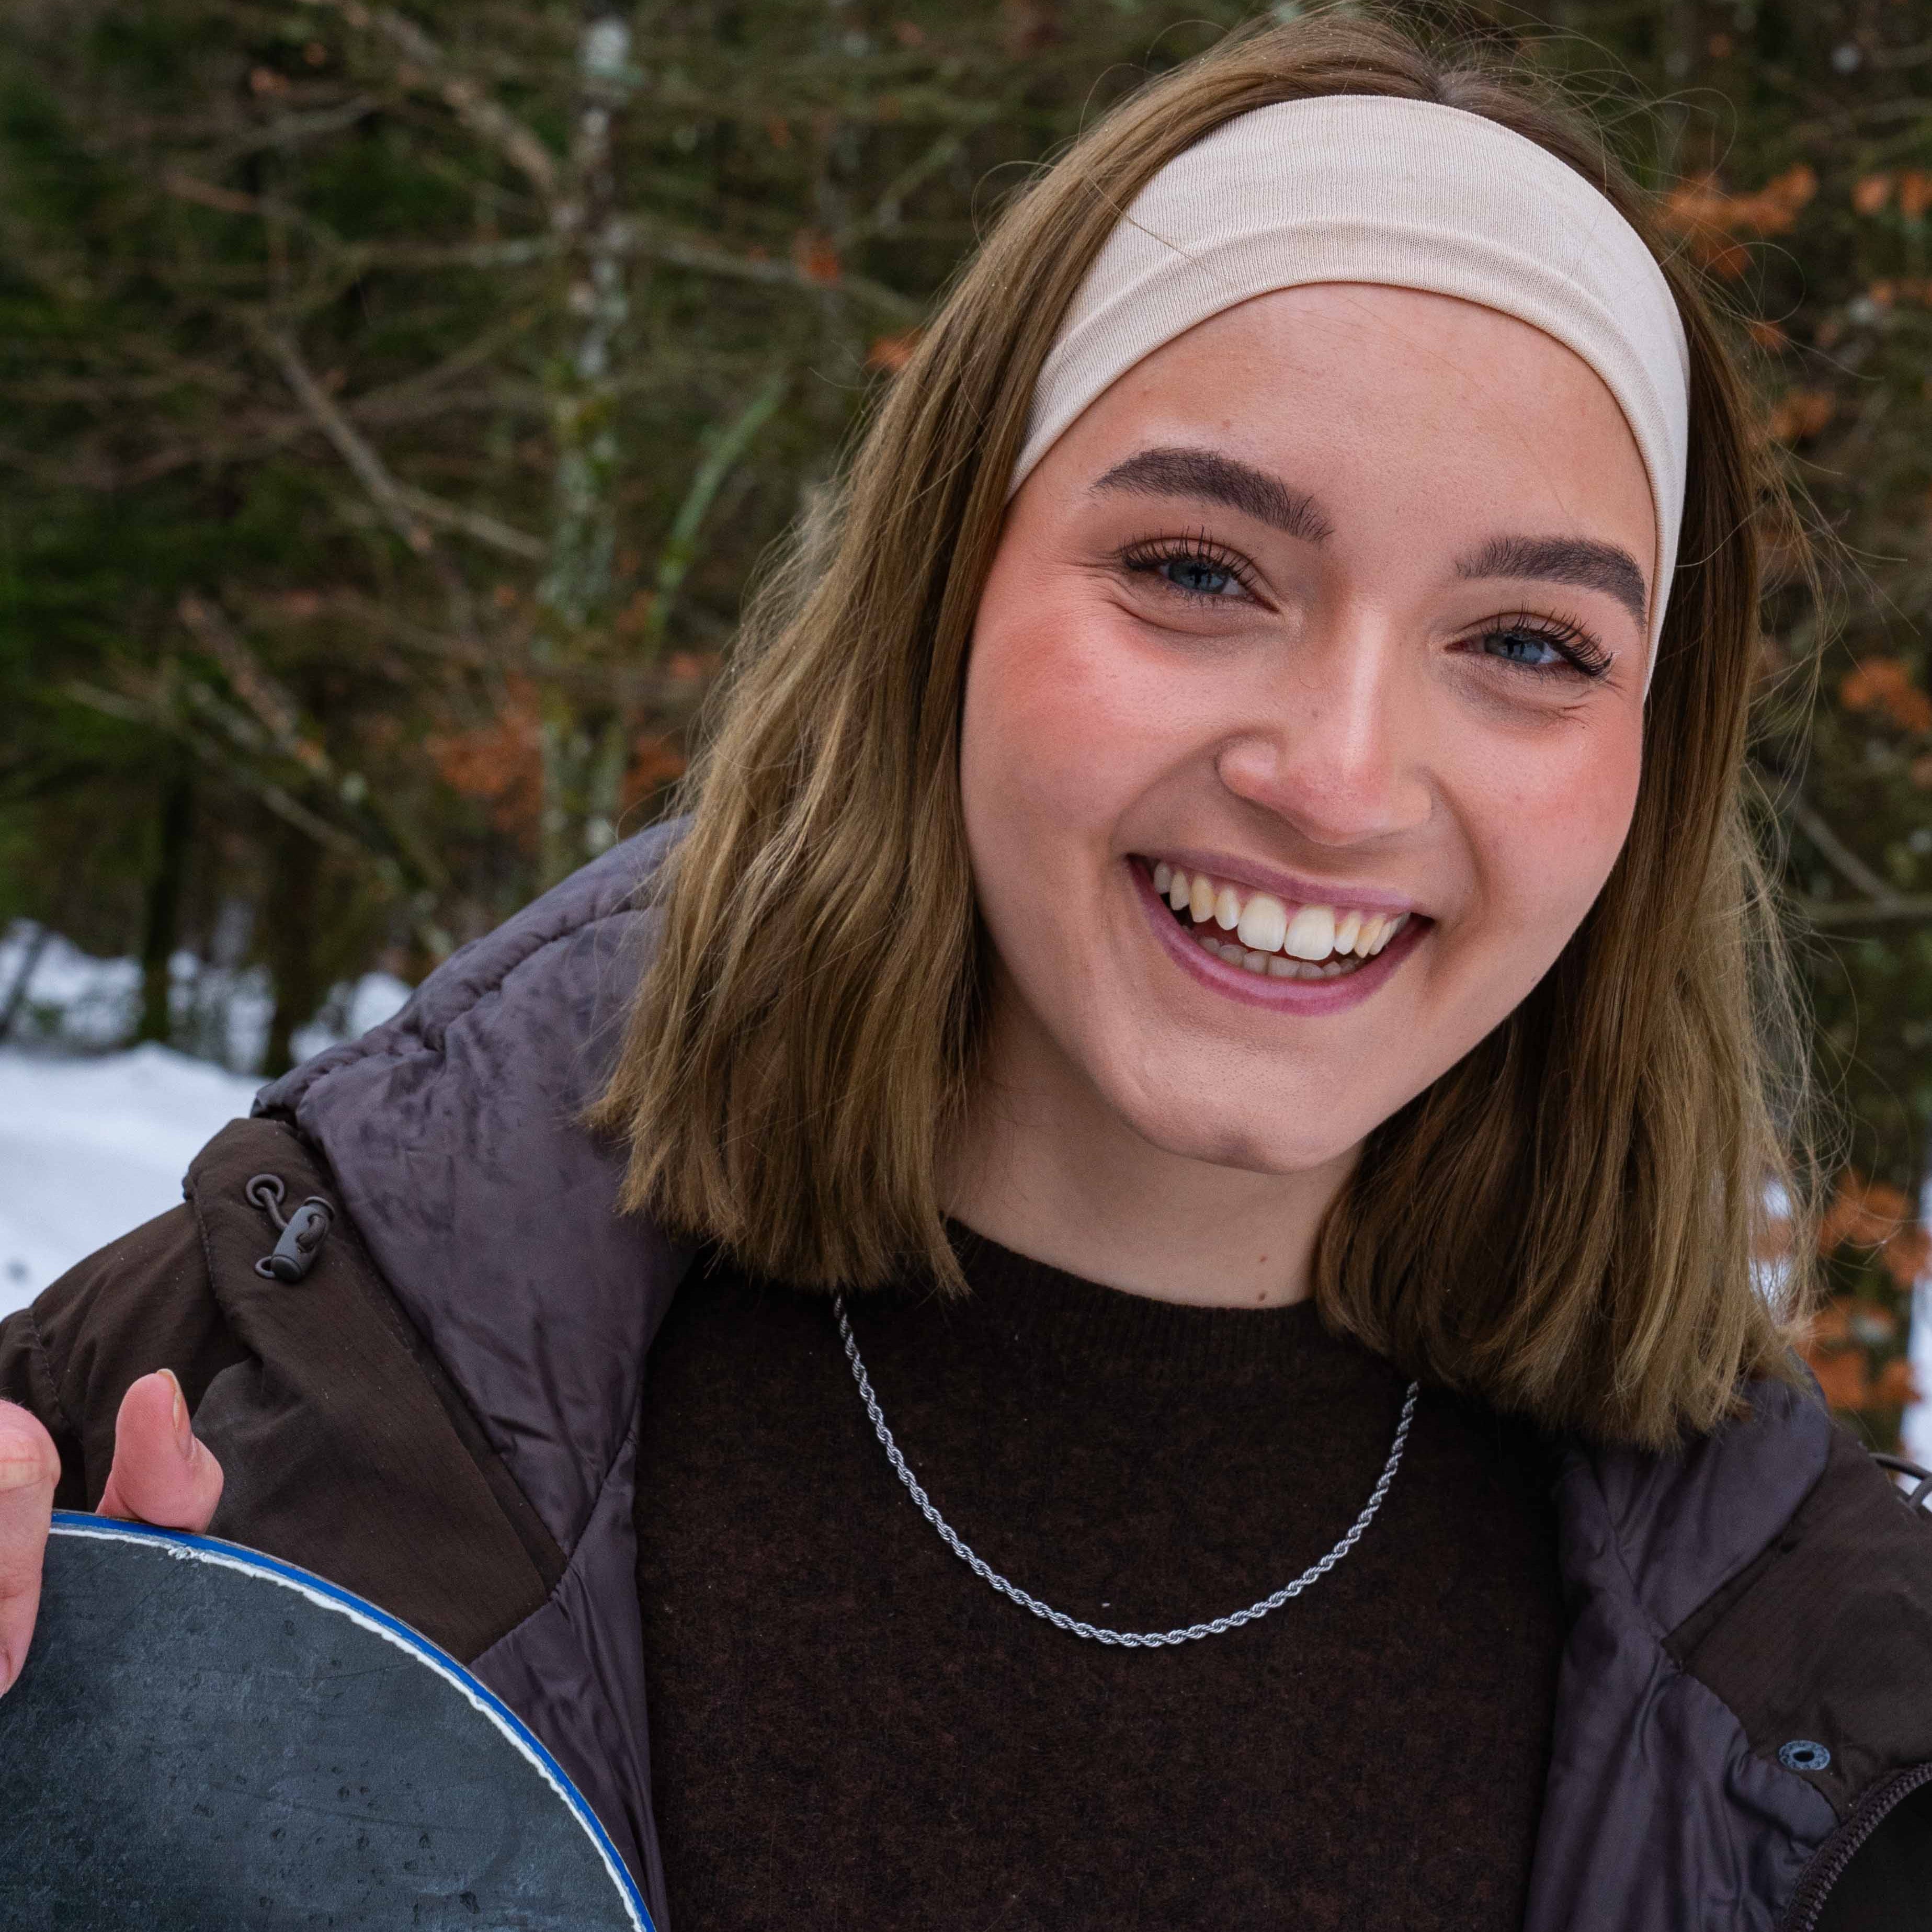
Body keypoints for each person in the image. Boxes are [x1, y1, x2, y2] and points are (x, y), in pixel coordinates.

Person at [3, 10, 1930, 1928]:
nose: (1339, 782)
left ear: (1650, 762)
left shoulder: (1835, 1730)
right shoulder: (267, 1397)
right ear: (948, 591)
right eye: (1197, 569)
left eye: (1529, 644)